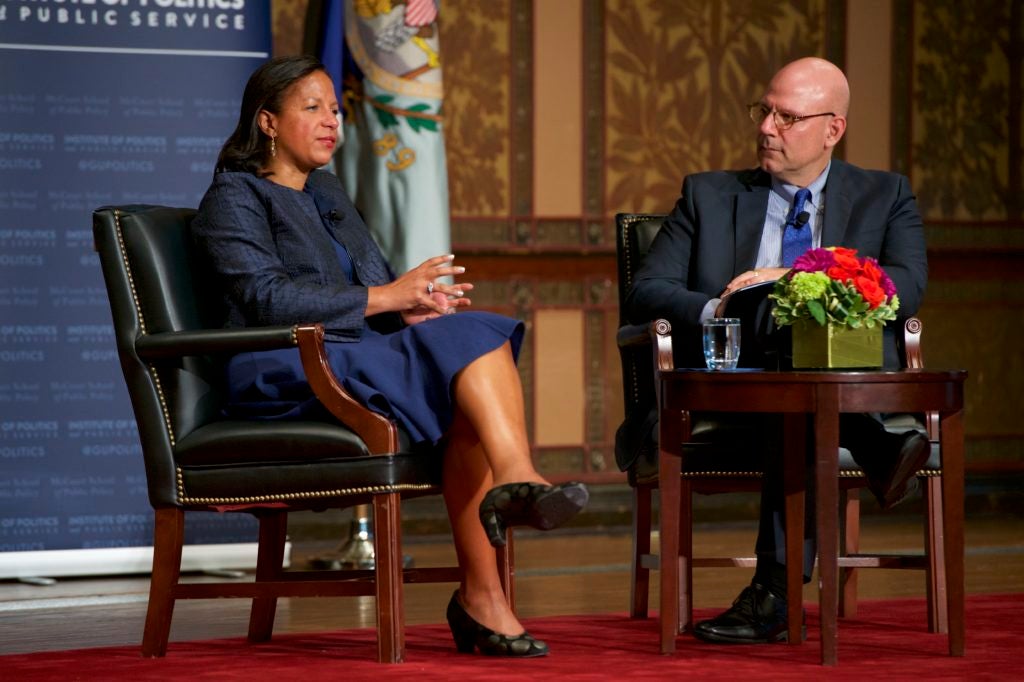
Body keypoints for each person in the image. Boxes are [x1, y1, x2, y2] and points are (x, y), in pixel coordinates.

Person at [190, 55, 589, 658]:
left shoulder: (327, 192)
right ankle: (514, 489)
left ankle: (486, 595)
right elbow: (264, 297)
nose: (332, 122)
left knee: (466, 358)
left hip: (354, 355)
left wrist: (413, 305)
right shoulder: (234, 196)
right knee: (471, 345)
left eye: (335, 109)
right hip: (282, 364)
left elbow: (375, 287)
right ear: (267, 122)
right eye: (313, 108)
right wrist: (387, 296)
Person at [625, 57, 930, 645]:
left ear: (831, 129)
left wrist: (798, 278)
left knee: (800, 380)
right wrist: (724, 309)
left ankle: (774, 593)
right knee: (780, 343)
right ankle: (878, 442)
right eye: (763, 111)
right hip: (733, 381)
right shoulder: (708, 195)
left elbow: (903, 286)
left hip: (834, 383)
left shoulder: (884, 195)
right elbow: (647, 290)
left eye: (787, 117)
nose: (766, 127)